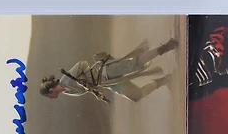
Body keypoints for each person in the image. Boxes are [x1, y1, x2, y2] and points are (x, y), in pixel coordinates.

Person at [40, 38, 179, 103]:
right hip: (107, 83)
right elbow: (88, 88)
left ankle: (166, 47)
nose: (51, 99)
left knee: (135, 64)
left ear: (51, 90)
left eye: (48, 96)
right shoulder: (68, 92)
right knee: (136, 96)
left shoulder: (66, 80)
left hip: (105, 71)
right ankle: (163, 81)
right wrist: (95, 93)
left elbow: (82, 64)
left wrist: (87, 81)